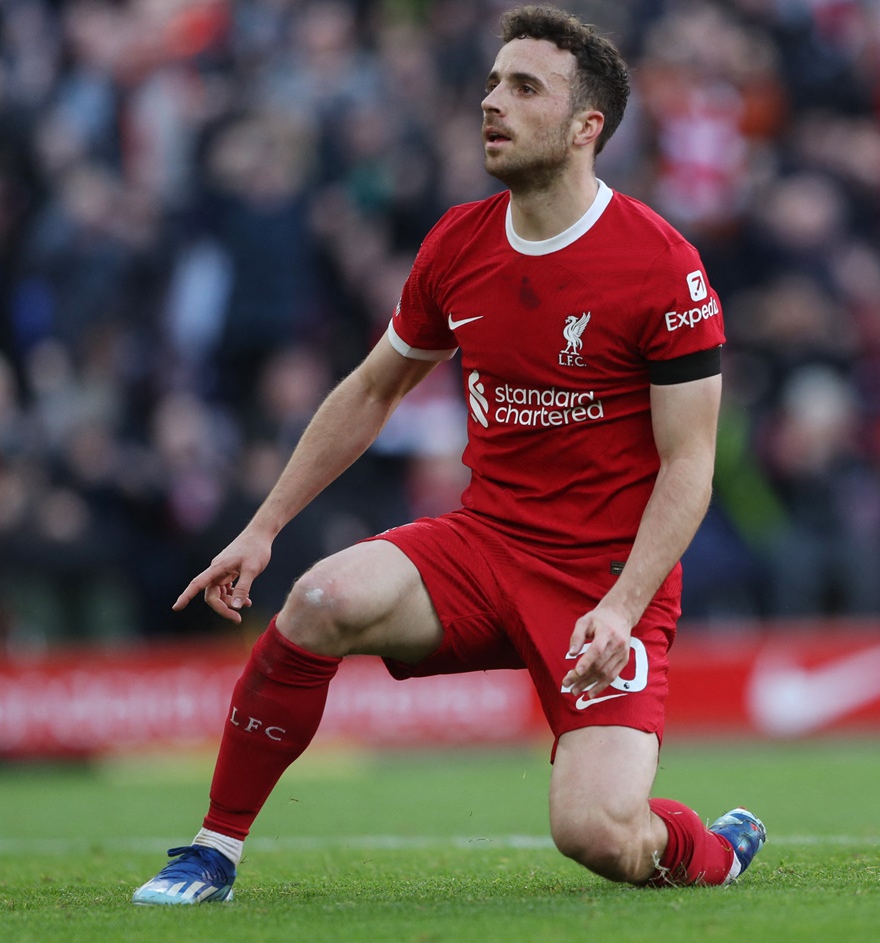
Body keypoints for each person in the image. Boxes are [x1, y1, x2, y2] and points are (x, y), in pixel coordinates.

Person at [132, 5, 766, 905]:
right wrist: (264, 526)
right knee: (317, 600)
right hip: (483, 547)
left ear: (588, 127)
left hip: (603, 580)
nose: (490, 102)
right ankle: (209, 852)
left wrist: (623, 604)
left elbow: (689, 466)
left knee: (597, 834)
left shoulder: (663, 266)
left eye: (523, 87)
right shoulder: (457, 243)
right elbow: (372, 389)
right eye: (492, 82)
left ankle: (717, 849)